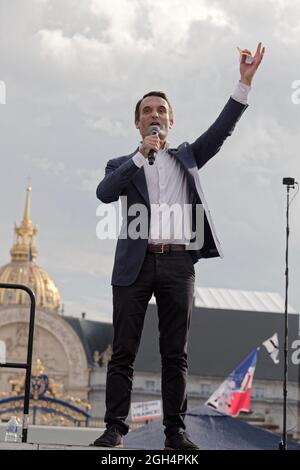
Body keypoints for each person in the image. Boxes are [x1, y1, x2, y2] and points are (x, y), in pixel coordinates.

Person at [92, 43, 265, 450]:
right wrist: (139, 157)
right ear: (138, 124)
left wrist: (243, 83)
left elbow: (221, 131)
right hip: (134, 265)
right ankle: (115, 428)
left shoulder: (187, 157)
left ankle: (176, 431)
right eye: (148, 112)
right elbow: (104, 193)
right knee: (124, 353)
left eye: (161, 111)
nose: (155, 116)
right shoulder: (121, 163)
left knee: (175, 354)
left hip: (178, 265)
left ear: (170, 122)